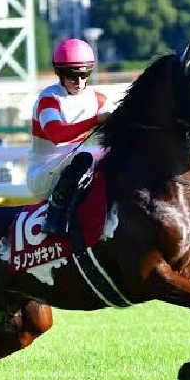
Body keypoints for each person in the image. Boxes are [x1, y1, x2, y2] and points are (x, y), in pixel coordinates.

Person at [28, 38, 113, 235]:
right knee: (84, 157)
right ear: (59, 73)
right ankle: (54, 215)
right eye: (72, 76)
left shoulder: (98, 98)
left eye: (84, 75)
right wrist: (95, 120)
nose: (79, 82)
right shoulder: (49, 99)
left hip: (73, 165)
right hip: (44, 174)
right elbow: (57, 134)